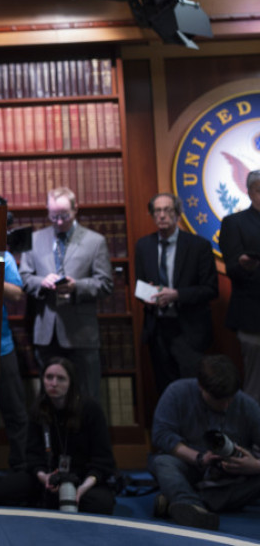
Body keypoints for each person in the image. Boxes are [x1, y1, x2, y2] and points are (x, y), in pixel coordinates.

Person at [19, 186, 113, 401]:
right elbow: (24, 278)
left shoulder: (95, 241)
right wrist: (42, 282)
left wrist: (76, 286)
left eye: (64, 215)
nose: (59, 222)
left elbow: (106, 284)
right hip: (46, 334)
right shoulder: (35, 239)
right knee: (49, 400)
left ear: (75, 209)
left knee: (87, 399)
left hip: (81, 335)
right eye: (54, 216)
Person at [149, 354, 260, 531]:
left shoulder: (247, 405)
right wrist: (199, 458)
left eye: (230, 399)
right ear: (201, 386)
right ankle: (192, 505)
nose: (226, 405)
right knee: (163, 462)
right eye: (219, 400)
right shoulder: (177, 392)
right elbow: (161, 434)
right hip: (191, 465)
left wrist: (254, 466)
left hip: (232, 475)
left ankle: (186, 502)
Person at [0, 356, 117, 514]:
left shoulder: (91, 410)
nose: (53, 383)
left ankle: (50, 501)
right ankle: (50, 498)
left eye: (61, 379)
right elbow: (32, 456)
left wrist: (81, 489)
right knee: (1, 491)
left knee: (101, 504)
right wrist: (44, 477)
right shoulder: (38, 409)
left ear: (71, 382)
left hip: (82, 478)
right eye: (49, 377)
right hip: (49, 476)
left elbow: (103, 460)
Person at [134, 192, 218, 396]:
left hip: (189, 330)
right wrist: (147, 295)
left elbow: (211, 289)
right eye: (157, 211)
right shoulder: (144, 246)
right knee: (166, 391)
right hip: (157, 330)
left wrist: (177, 295)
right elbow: (139, 286)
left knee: (192, 390)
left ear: (178, 214)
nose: (162, 215)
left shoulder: (198, 246)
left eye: (167, 210)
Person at [0, 245, 29, 471]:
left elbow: (17, 294)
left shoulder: (1, 256)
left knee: (15, 413)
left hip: (2, 347)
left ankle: (21, 469)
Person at [219, 169, 260, 403]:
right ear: (249, 192)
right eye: (259, 190)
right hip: (253, 315)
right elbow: (232, 269)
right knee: (256, 387)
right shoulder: (234, 223)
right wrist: (246, 266)